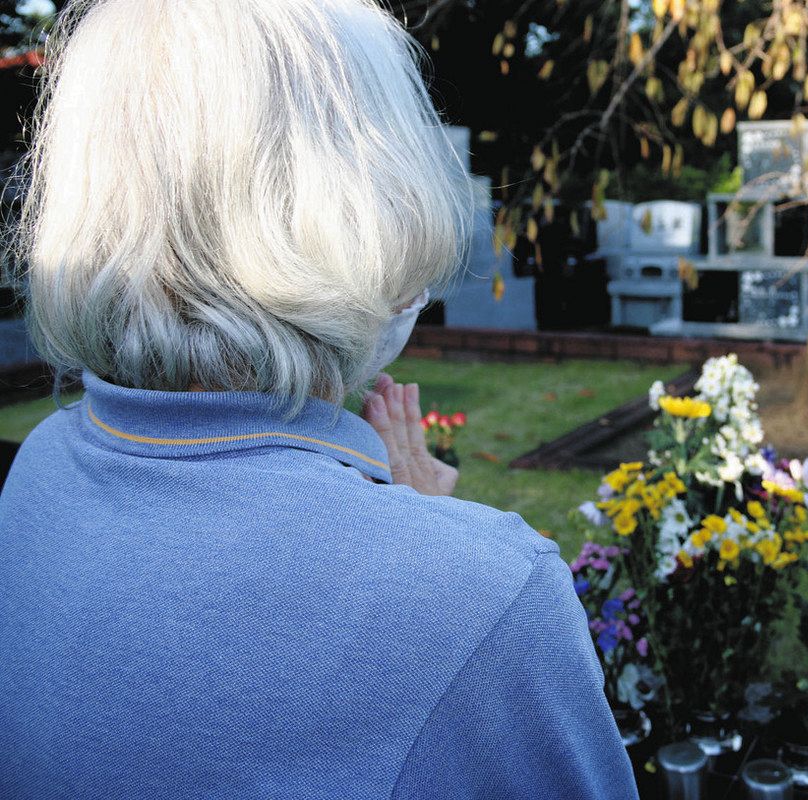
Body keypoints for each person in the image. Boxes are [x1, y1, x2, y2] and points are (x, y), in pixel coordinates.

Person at [0, 1, 638, 798]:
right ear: (365, 205)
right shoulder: (486, 597)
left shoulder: (40, 472)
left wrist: (404, 535)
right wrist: (429, 555)